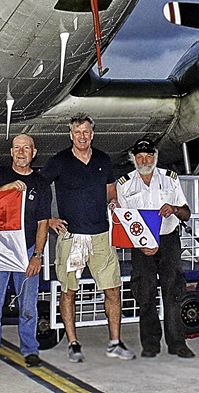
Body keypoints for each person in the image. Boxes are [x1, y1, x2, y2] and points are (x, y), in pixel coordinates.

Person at [40, 113, 135, 362]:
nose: (82, 137)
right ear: (70, 135)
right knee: (68, 291)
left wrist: (113, 202)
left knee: (113, 290)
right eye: (77, 132)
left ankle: (115, 342)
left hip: (101, 236)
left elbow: (110, 189)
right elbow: (39, 188)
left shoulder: (103, 159)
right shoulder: (58, 161)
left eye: (86, 132)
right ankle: (73, 343)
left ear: (92, 134)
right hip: (71, 237)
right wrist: (49, 219)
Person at [0, 134, 51, 371]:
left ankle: (30, 350)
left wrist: (37, 255)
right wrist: (6, 189)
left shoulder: (40, 183)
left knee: (29, 305)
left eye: (26, 148)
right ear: (11, 152)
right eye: (17, 148)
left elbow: (43, 223)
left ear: (34, 153)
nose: (21, 152)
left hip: (26, 249)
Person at [115, 138, 195, 359]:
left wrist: (175, 209)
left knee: (174, 292)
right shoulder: (124, 184)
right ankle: (150, 344)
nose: (144, 161)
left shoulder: (170, 179)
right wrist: (141, 243)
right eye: (140, 157)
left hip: (168, 240)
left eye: (149, 156)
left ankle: (177, 343)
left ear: (155, 157)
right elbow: (122, 219)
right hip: (141, 245)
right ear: (133, 159)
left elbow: (186, 212)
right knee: (145, 292)